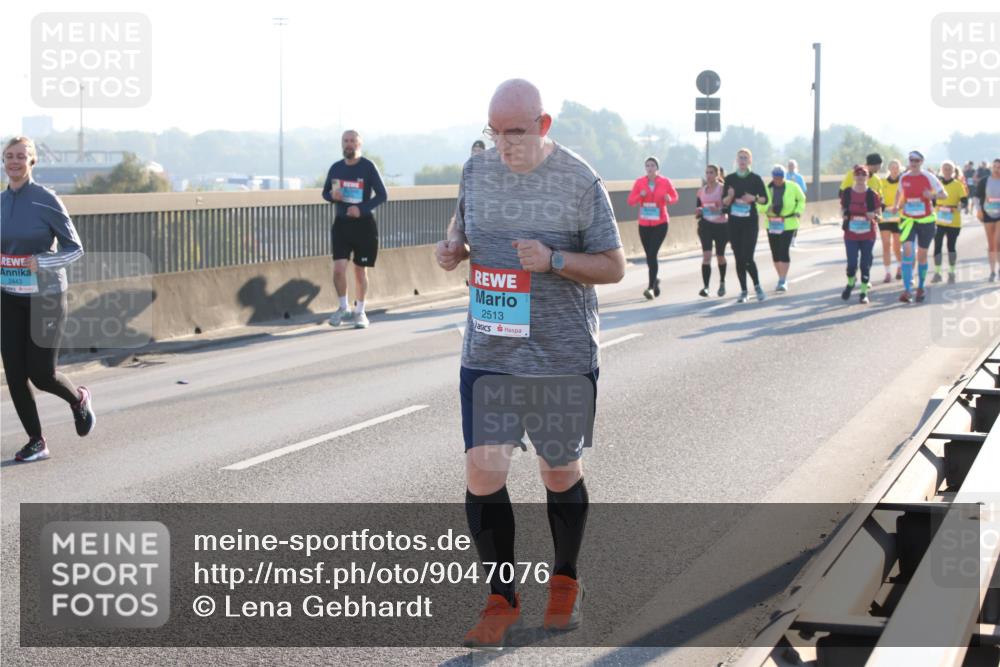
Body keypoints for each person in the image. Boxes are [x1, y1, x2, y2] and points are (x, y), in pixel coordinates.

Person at [435, 79, 625, 650]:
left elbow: (614, 266)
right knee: (482, 472)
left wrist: (554, 259)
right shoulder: (477, 171)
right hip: (490, 352)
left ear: (543, 125)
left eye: (514, 132)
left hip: (558, 354)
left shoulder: (579, 180)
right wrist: (453, 249)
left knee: (558, 472)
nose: (503, 144)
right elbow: (461, 227)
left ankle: (565, 581)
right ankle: (502, 599)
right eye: (494, 132)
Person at [1, 136, 96, 462]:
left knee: (41, 374)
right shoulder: (1, 202)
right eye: (9, 156)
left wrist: (42, 262)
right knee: (15, 374)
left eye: (21, 156)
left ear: (32, 161)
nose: (14, 162)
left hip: (47, 297)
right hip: (9, 296)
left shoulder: (46, 200)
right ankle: (36, 441)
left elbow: (75, 248)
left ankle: (78, 399)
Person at [322, 130, 388, 329]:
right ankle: (343, 308)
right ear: (342, 144)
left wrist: (361, 209)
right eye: (345, 141)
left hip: (363, 225)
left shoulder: (368, 167)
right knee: (338, 269)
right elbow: (325, 192)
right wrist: (333, 196)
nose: (349, 144)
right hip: (341, 225)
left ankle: (360, 311)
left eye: (352, 141)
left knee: (360, 271)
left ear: (359, 144)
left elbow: (382, 195)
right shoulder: (336, 168)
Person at [889, 150, 946, 302]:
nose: (913, 163)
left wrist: (932, 195)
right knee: (907, 251)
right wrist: (896, 205)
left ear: (921, 162)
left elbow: (944, 194)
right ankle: (907, 290)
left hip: (926, 221)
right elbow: (898, 192)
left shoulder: (929, 177)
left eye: (917, 161)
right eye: (911, 160)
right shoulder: (904, 177)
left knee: (922, 256)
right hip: (908, 220)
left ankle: (920, 287)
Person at [627, 156, 678, 299]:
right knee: (649, 256)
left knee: (652, 254)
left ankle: (650, 287)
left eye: (652, 165)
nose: (650, 168)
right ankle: (655, 281)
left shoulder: (665, 182)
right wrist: (640, 195)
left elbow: (675, 197)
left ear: (657, 168)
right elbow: (630, 201)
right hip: (644, 224)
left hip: (660, 223)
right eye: (647, 166)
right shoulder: (639, 182)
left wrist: (669, 199)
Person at [722, 148, 768, 303]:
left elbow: (765, 199)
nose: (742, 160)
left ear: (750, 161)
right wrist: (730, 196)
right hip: (734, 222)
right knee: (738, 257)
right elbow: (724, 202)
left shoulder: (755, 178)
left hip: (750, 222)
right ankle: (743, 291)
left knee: (748, 256)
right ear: (736, 160)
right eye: (740, 158)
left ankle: (757, 287)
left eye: (745, 158)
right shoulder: (730, 179)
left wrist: (753, 198)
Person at [839, 165, 880, 304]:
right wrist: (844, 215)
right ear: (854, 176)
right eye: (858, 174)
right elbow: (842, 209)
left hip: (868, 234)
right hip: (851, 234)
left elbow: (879, 215)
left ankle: (863, 292)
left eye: (863, 174)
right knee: (851, 263)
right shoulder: (847, 192)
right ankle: (851, 283)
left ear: (868, 177)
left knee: (865, 264)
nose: (860, 177)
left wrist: (874, 216)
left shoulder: (872, 194)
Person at [762, 165, 806, 292]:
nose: (778, 179)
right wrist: (767, 208)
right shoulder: (767, 189)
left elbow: (802, 199)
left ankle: (783, 279)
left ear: (784, 176)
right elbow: (759, 205)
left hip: (788, 222)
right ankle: (780, 276)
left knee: (783, 250)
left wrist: (798, 211)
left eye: (780, 177)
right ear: (772, 176)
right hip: (772, 223)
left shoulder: (793, 186)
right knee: (775, 252)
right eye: (775, 177)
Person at [931, 161, 968, 284]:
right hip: (939, 220)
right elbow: (932, 200)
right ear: (941, 170)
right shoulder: (937, 184)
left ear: (953, 171)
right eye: (945, 168)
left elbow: (964, 200)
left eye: (949, 168)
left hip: (953, 220)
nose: (946, 170)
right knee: (937, 246)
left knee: (951, 247)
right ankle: (937, 273)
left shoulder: (958, 184)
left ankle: (951, 272)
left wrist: (960, 206)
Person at [695, 164, 729, 297]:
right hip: (706, 226)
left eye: (711, 173)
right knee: (707, 256)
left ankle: (722, 282)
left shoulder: (723, 189)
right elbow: (698, 209)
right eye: (707, 173)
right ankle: (706, 287)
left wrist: (719, 210)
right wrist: (699, 211)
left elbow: (729, 208)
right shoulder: (701, 191)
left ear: (717, 175)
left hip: (721, 226)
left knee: (720, 256)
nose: (708, 175)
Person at [975, 158, 1000, 281]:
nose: (996, 169)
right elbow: (977, 197)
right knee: (991, 244)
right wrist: (979, 210)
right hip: (987, 213)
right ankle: (992, 271)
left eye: (999, 167)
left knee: (998, 241)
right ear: (991, 168)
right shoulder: (985, 181)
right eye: (994, 167)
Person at [879, 159, 904, 283]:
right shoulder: (882, 182)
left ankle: (900, 267)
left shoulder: (903, 182)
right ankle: (888, 272)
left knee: (897, 245)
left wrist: (898, 207)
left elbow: (906, 199)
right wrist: (885, 207)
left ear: (900, 169)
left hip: (899, 216)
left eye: (897, 167)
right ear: (888, 169)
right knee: (886, 244)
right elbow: (878, 198)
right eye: (892, 167)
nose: (894, 170)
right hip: (885, 216)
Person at [786, 160, 806, 248]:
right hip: (786, 202)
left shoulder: (799, 177)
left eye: (792, 166)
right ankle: (787, 239)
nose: (791, 167)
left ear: (795, 167)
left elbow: (804, 189)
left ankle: (793, 239)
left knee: (795, 220)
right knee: (786, 220)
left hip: (796, 202)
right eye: (789, 165)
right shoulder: (784, 176)